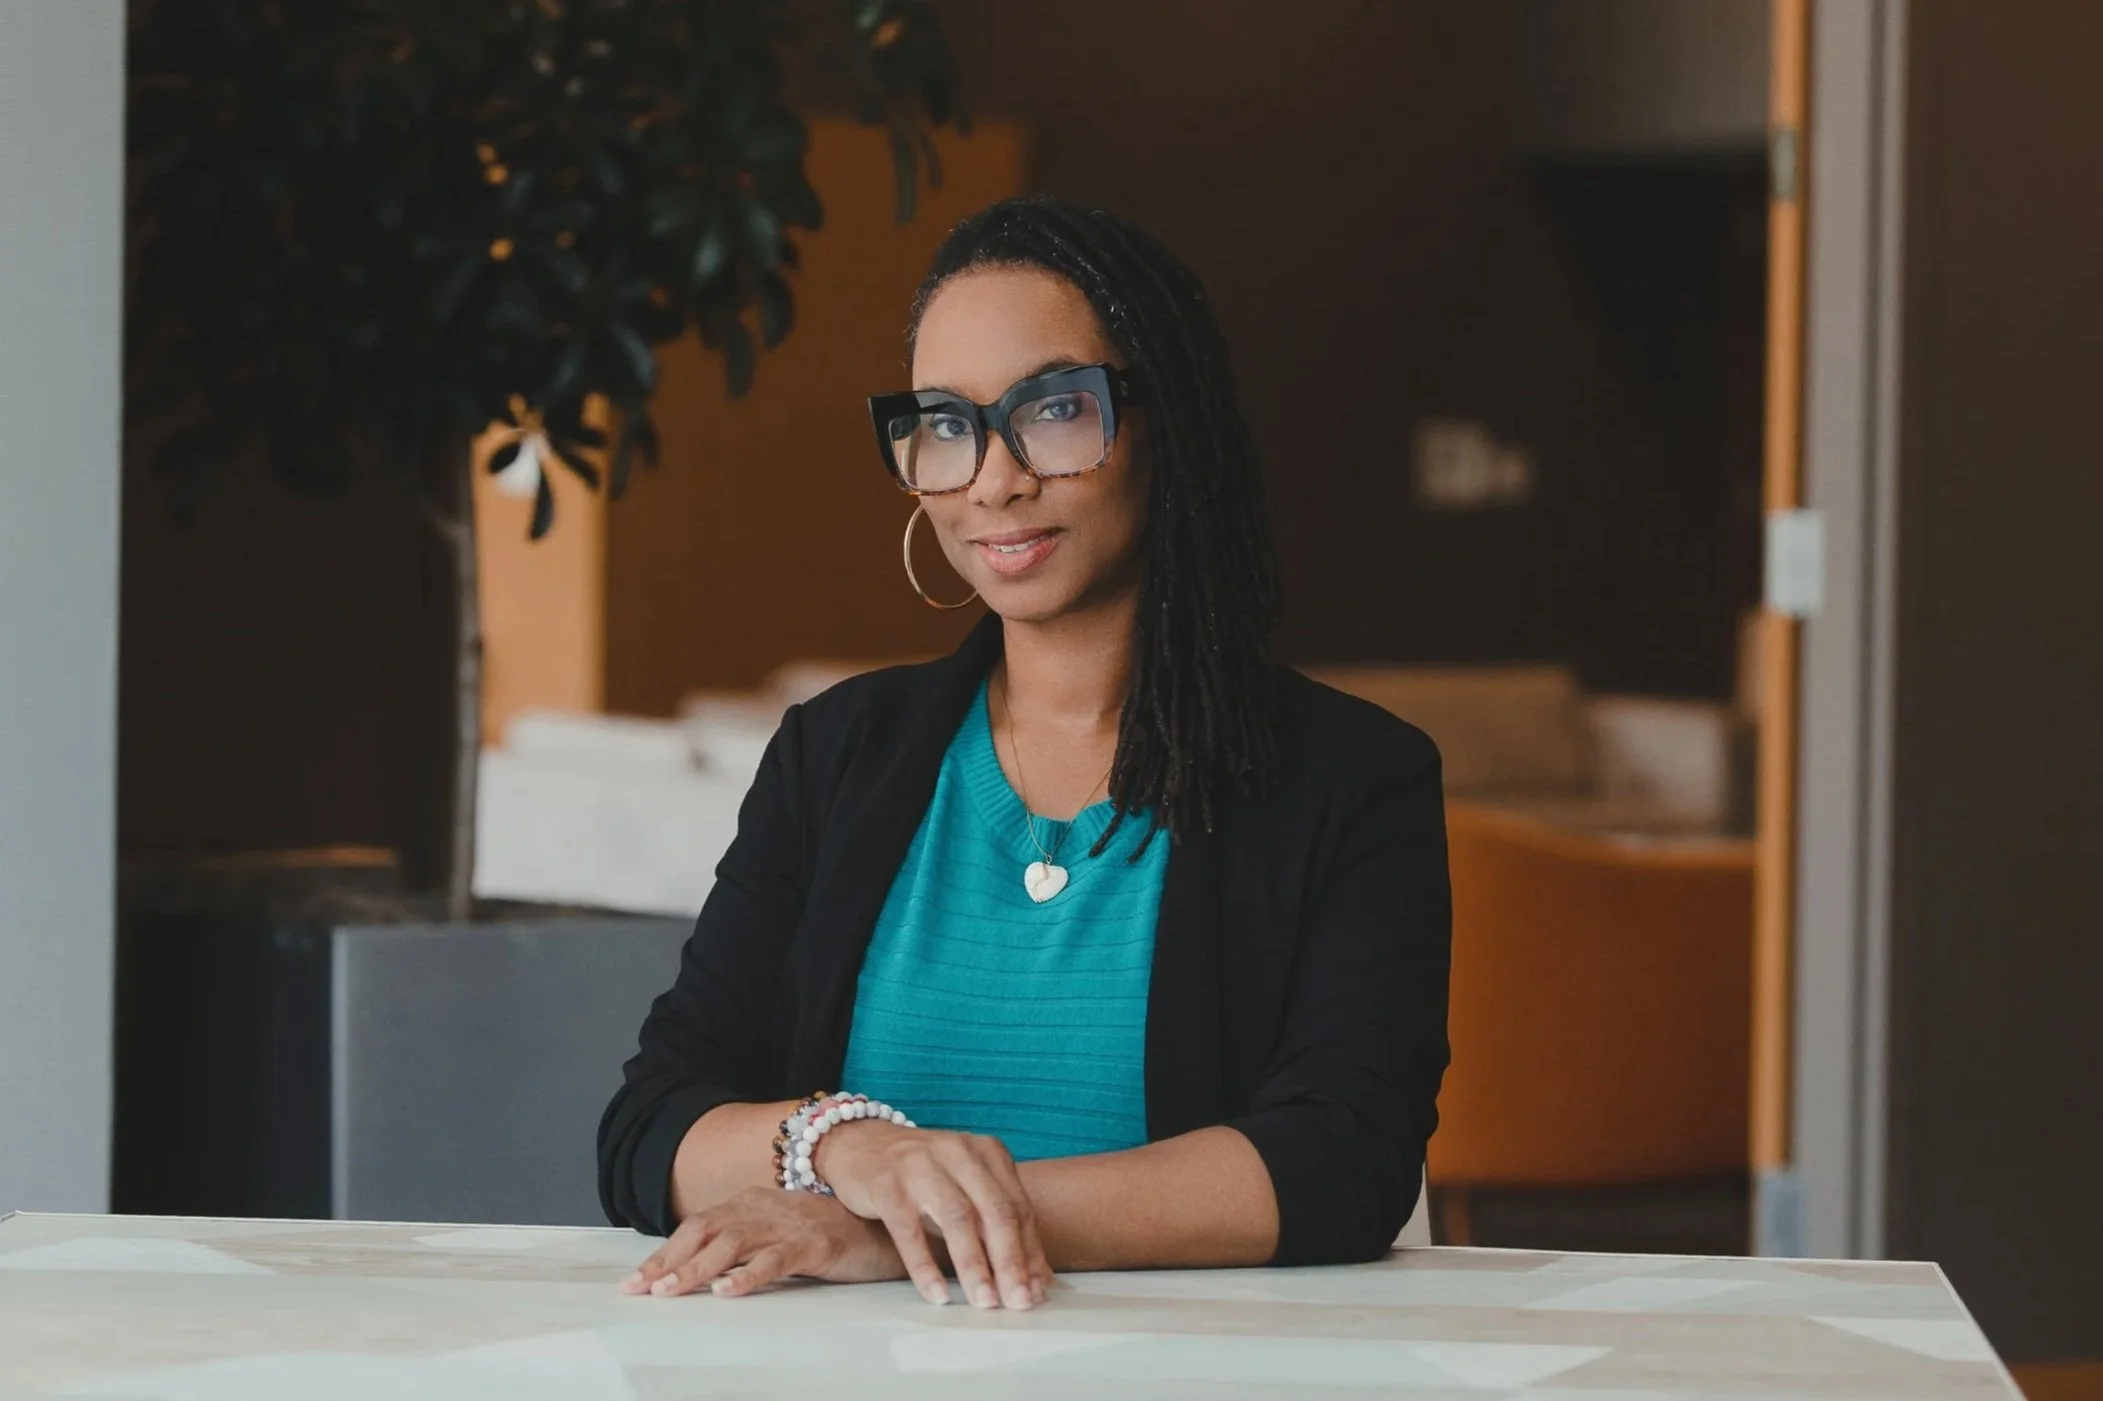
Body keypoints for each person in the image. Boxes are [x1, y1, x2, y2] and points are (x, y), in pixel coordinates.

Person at [598, 196, 1450, 1311]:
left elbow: (1343, 1160)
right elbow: (653, 1125)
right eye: (946, 423)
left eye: (1052, 409)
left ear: (1164, 422)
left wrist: (905, 1229)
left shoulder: (1352, 776)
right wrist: (850, 1153)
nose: (992, 478)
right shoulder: (838, 753)